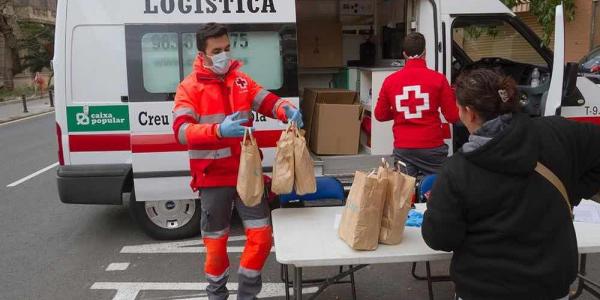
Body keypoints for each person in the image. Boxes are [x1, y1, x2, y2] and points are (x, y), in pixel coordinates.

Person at [422, 69, 600, 299]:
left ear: (469, 113)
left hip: (483, 288)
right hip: (550, 286)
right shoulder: (558, 132)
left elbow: (440, 238)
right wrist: (571, 191)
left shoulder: (457, 170)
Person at [172, 23, 303, 300]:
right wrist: (218, 131)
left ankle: (247, 294)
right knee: (216, 245)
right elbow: (181, 132)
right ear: (202, 54)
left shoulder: (240, 80)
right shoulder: (189, 88)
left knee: (261, 237)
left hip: (247, 173)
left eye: (227, 48)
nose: (223, 55)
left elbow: (266, 101)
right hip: (212, 176)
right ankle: (217, 294)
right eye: (216, 51)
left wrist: (285, 109)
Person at [374, 32, 459, 177]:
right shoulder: (438, 79)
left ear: (404, 54)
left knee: (403, 194)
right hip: (432, 147)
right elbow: (452, 116)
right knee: (438, 190)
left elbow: (380, 115)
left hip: (404, 148)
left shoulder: (390, 81)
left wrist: (400, 112)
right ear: (425, 53)